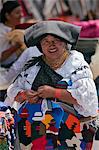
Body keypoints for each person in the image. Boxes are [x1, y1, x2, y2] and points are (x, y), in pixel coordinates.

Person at [6, 21, 98, 149]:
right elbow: (13, 93)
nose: (51, 45)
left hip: (72, 133)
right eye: (46, 41)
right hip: (37, 135)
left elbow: (88, 99)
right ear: (40, 46)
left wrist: (54, 93)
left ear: (65, 42)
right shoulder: (33, 67)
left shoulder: (77, 64)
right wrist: (24, 95)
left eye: (56, 40)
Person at [0, 0, 27, 101]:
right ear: (7, 15)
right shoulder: (2, 32)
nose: (20, 15)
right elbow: (1, 58)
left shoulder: (14, 29)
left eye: (21, 12)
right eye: (17, 13)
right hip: (5, 71)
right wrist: (17, 46)